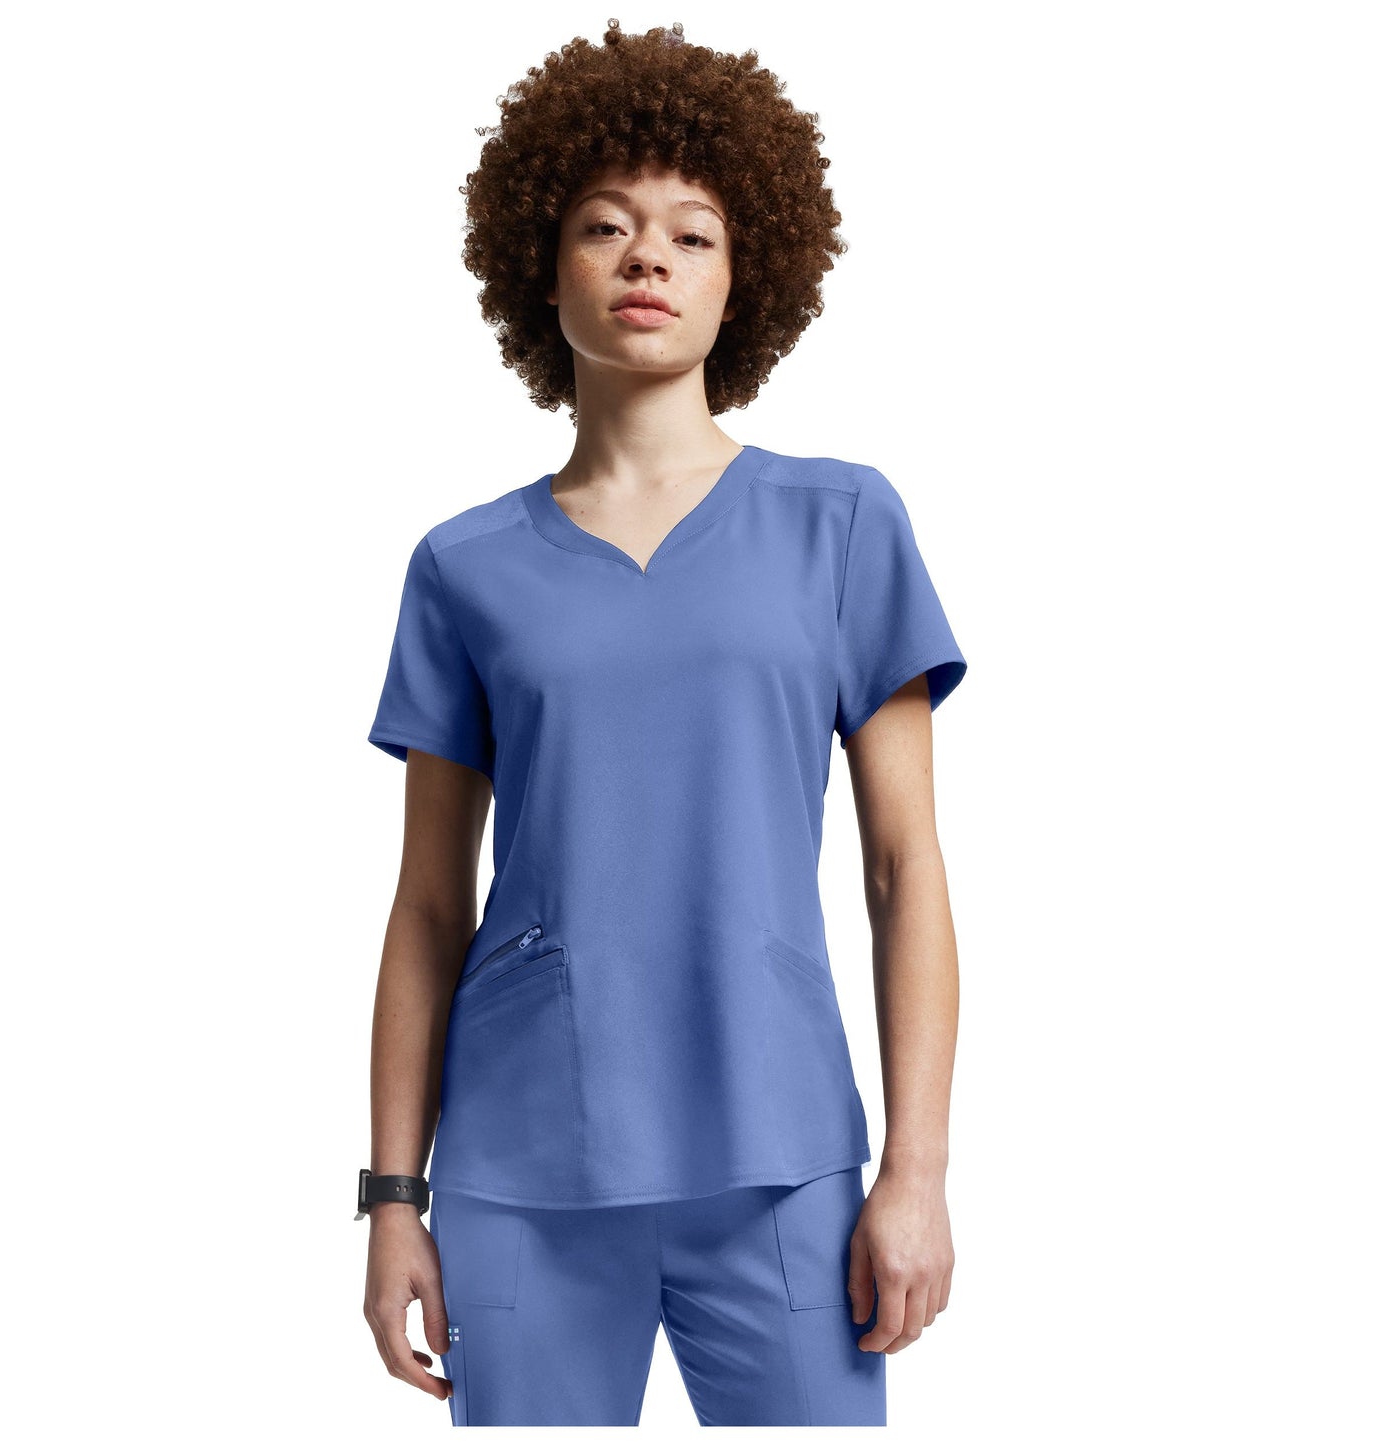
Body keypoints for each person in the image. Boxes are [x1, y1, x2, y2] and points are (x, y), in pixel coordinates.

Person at [358, 19, 969, 1428]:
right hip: (521, 1170)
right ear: (541, 265)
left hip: (783, 1160)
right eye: (606, 225)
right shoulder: (462, 566)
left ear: (745, 278)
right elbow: (428, 904)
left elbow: (905, 868)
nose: (649, 257)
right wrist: (394, 1197)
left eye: (693, 234)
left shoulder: (842, 523)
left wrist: (917, 1171)